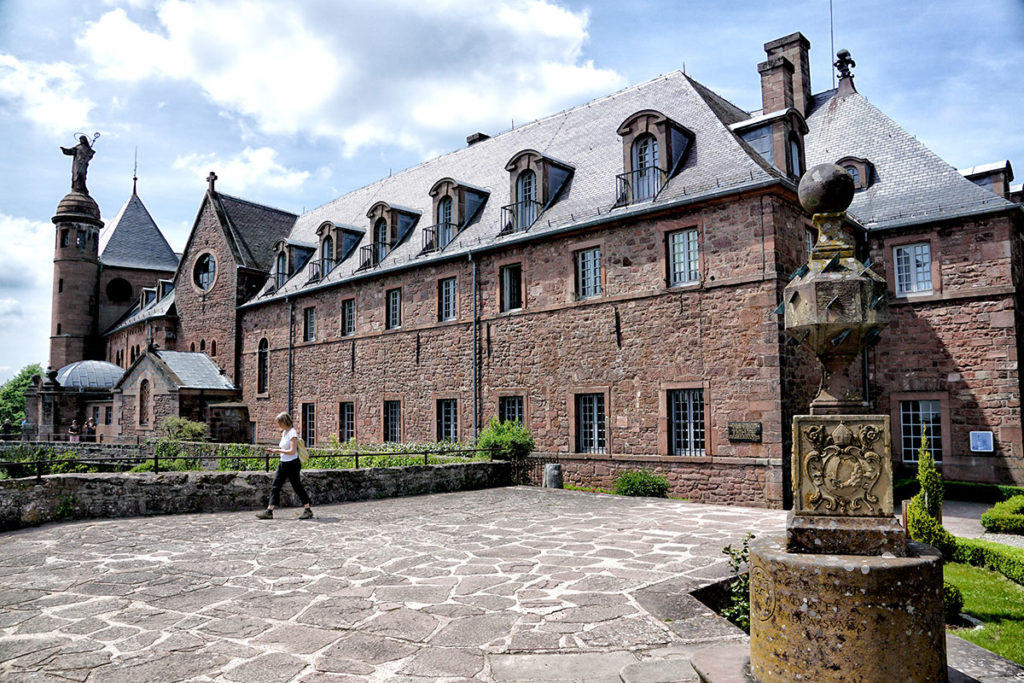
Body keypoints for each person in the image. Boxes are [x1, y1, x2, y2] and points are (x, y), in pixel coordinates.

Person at [257, 412, 313, 520]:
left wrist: (276, 451)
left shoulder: (292, 433)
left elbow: (292, 451)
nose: (278, 424)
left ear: (284, 421)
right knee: (275, 486)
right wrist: (276, 451)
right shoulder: (284, 432)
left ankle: (308, 509)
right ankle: (269, 511)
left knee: (297, 487)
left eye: (279, 422)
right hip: (284, 463)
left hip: (292, 464)